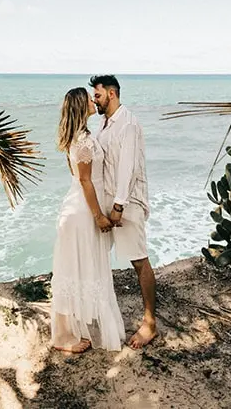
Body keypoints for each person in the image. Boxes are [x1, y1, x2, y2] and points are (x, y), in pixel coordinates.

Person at [50, 87, 126, 353]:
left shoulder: (81, 136)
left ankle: (74, 327)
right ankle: (63, 337)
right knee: (71, 270)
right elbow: (84, 180)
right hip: (81, 212)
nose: (94, 101)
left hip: (79, 207)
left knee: (78, 268)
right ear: (81, 106)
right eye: (89, 99)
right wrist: (98, 216)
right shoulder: (82, 141)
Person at [90, 75, 158, 349]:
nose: (95, 99)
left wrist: (118, 207)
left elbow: (127, 169)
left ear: (112, 93)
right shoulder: (104, 124)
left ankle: (150, 323)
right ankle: (97, 314)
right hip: (109, 203)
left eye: (97, 95)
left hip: (127, 204)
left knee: (139, 260)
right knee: (95, 256)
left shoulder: (128, 124)